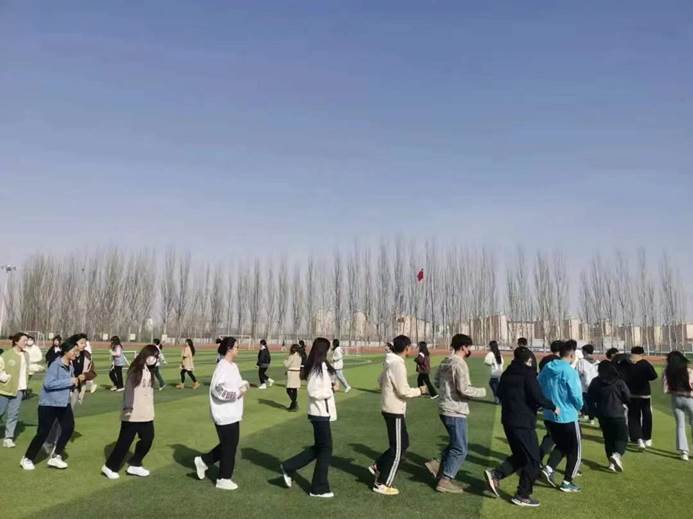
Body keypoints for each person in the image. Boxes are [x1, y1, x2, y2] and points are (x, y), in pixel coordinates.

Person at [484, 346, 558, 508]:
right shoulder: (528, 374)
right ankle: (522, 495)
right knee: (533, 459)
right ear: (529, 360)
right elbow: (537, 396)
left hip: (508, 420)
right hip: (523, 422)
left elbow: (500, 394)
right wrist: (553, 406)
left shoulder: (507, 373)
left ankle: (496, 474)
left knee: (520, 455)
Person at [425, 334, 485, 493]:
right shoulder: (460, 363)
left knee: (455, 443)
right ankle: (445, 479)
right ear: (464, 347)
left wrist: (447, 390)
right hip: (455, 409)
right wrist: (482, 392)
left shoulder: (445, 361)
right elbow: (463, 389)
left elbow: (436, 382)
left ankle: (437, 464)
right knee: (460, 449)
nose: (470, 349)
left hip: (444, 407)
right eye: (469, 347)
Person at [369, 335, 428, 496]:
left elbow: (380, 380)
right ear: (407, 348)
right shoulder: (397, 364)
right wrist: (420, 390)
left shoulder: (390, 361)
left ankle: (378, 466)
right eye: (411, 347)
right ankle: (382, 483)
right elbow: (403, 391)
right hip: (394, 410)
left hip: (391, 408)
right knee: (398, 449)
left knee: (403, 443)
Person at [280, 337, 337, 498]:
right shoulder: (316, 368)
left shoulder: (321, 366)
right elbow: (313, 392)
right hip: (319, 413)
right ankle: (318, 487)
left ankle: (289, 466)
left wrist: (331, 386)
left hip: (322, 412)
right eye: (327, 349)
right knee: (326, 449)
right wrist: (330, 390)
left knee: (320, 447)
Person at [194, 337, 250, 490]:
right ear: (229, 348)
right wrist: (237, 393)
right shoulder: (222, 367)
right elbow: (217, 389)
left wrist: (244, 385)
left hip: (233, 412)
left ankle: (203, 461)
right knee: (229, 447)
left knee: (230, 444)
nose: (238, 349)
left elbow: (237, 383)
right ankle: (223, 478)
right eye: (236, 347)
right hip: (224, 414)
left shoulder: (233, 366)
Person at [21, 340, 85, 470]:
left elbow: (68, 383)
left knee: (68, 427)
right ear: (66, 351)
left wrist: (76, 382)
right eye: (74, 351)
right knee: (43, 432)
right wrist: (69, 381)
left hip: (64, 403)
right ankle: (27, 458)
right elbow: (48, 384)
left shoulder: (70, 366)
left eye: (77, 351)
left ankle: (55, 457)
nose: (76, 354)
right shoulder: (55, 365)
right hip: (49, 404)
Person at [102, 344, 160, 480]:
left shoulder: (149, 370)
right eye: (153, 356)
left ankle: (135, 463)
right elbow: (129, 390)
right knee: (124, 442)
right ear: (146, 355)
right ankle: (109, 467)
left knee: (148, 438)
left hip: (146, 413)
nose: (155, 359)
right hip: (133, 413)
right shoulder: (135, 370)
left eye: (156, 357)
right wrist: (128, 408)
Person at [538, 341, 583, 493]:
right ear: (572, 355)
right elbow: (576, 395)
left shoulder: (547, 367)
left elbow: (538, 385)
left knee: (562, 445)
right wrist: (579, 407)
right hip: (567, 415)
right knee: (575, 449)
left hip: (549, 414)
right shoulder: (570, 372)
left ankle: (549, 468)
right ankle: (567, 481)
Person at [587, 361, 631, 472]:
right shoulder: (619, 382)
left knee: (608, 438)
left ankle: (611, 464)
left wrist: (594, 412)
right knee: (622, 437)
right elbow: (627, 397)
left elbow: (590, 398)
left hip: (602, 414)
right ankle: (617, 455)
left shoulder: (596, 382)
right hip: (618, 414)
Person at [0, 333, 30, 448]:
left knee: (13, 414)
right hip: (5, 389)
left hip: (19, 389)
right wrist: (4, 377)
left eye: (27, 340)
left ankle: (8, 438)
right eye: (24, 340)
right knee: (0, 412)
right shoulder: (6, 355)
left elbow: (26, 369)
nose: (26, 343)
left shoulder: (26, 355)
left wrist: (36, 368)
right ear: (16, 341)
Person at [625, 346, 658, 449]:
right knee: (647, 415)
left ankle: (638, 438)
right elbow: (653, 376)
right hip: (644, 394)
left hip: (631, 394)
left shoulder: (626, 363)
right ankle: (647, 438)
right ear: (641, 354)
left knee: (633, 416)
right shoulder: (645, 363)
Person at [662, 351, 693, 461]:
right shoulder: (689, 370)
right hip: (690, 398)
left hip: (675, 399)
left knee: (680, 425)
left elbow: (665, 389)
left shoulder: (667, 371)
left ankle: (683, 452)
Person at [576, 344, 599, 424]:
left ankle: (587, 416)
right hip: (595, 385)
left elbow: (577, 373)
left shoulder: (581, 362)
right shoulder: (597, 362)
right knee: (592, 402)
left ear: (585, 351)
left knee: (586, 402)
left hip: (585, 386)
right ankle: (591, 417)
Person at [284, 344, 302, 411]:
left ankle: (294, 403)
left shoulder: (292, 356)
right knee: (294, 389)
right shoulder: (299, 356)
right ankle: (293, 404)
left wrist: (285, 360)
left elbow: (287, 364)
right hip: (297, 373)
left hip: (292, 373)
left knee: (288, 389)